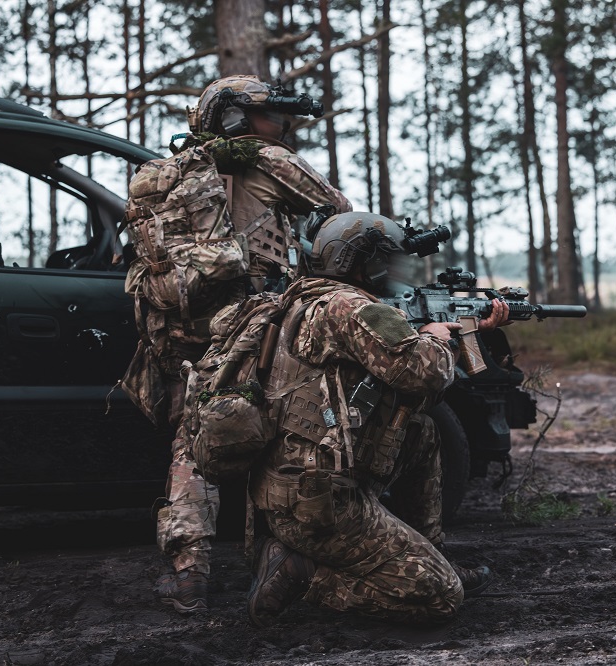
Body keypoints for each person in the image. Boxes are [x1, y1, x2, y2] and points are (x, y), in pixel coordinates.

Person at [246, 211, 508, 626]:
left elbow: (408, 395)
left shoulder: (306, 297)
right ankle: (301, 572)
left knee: (420, 430)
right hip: (318, 502)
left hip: (297, 484)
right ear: (361, 263)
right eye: (386, 262)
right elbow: (422, 372)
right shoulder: (351, 307)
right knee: (440, 597)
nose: (393, 272)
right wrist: (440, 340)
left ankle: (427, 551)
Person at [150, 75, 352, 614]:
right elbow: (342, 218)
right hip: (252, 324)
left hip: (181, 327)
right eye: (272, 115)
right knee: (282, 434)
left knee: (195, 440)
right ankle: (282, 558)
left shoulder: (171, 171)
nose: (283, 126)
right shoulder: (269, 160)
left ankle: (188, 572)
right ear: (237, 119)